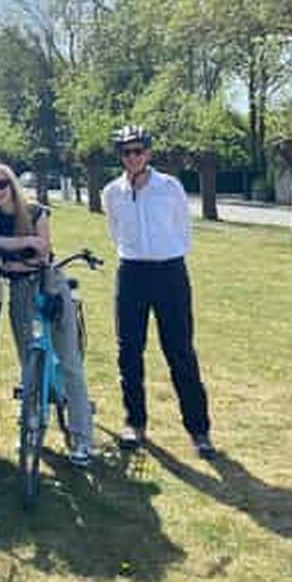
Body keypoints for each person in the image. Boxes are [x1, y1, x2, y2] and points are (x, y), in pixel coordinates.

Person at [103, 124, 216, 458]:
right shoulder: (112, 192)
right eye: (126, 152)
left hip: (169, 272)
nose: (133, 157)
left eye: (138, 151)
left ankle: (199, 430)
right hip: (132, 273)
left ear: (148, 153)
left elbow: (183, 228)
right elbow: (115, 232)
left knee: (180, 351)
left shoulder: (169, 187)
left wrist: (166, 254)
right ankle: (134, 422)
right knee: (128, 351)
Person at [0, 163, 95, 467]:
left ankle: (82, 438)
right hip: (20, 293)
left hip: (49, 286)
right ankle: (30, 427)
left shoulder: (35, 211)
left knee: (69, 361)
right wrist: (25, 243)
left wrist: (15, 254)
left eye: (2, 183)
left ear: (12, 183)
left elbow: (43, 251)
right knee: (29, 364)